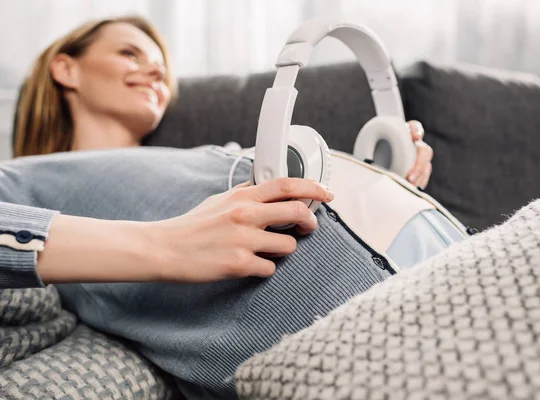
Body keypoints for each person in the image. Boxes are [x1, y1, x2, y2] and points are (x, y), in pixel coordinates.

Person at [1, 16, 435, 399]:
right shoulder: (22, 180)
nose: (155, 70)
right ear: (66, 68)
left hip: (427, 262)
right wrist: (165, 246)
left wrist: (389, 178)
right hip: (378, 336)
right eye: (130, 54)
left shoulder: (215, 159)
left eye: (161, 66)